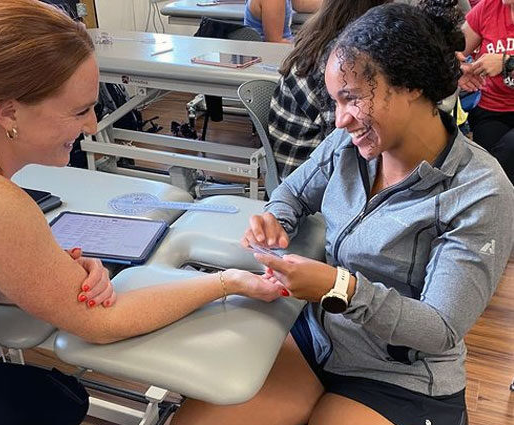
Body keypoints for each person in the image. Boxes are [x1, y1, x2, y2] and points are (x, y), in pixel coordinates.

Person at [0, 1, 287, 424]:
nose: (94, 126)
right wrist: (225, 283)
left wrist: (50, 272)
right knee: (59, 400)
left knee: (59, 396)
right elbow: (101, 322)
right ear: (8, 112)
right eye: (80, 111)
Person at [172, 2, 514, 425]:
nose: (339, 121)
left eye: (351, 99)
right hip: (322, 339)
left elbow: (439, 328)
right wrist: (276, 217)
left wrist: (341, 289)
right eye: (335, 101)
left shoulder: (479, 191)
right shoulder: (349, 148)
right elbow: (292, 192)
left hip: (399, 374)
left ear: (410, 86)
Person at [269, 0, 390, 180]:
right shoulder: (339, 63)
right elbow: (347, 145)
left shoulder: (321, 42)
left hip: (299, 167)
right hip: (305, 182)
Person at [458, 0, 514, 184]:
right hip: (492, 110)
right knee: (485, 164)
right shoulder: (489, 7)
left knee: (507, 153)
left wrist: (507, 62)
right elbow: (455, 50)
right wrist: (459, 70)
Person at [243, 0, 321, 43]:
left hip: (283, 48)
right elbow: (275, 43)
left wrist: (331, 5)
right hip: (274, 56)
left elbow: (301, 4)